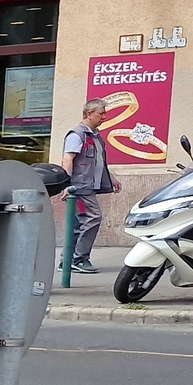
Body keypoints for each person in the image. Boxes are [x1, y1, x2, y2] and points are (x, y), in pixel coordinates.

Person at [61, 100, 116, 274]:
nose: (104, 117)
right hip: (80, 188)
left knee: (79, 223)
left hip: (86, 186)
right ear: (89, 114)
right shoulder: (77, 135)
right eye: (101, 113)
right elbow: (67, 159)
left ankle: (67, 261)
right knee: (93, 218)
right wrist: (66, 184)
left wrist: (111, 178)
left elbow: (98, 162)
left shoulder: (94, 135)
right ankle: (79, 259)